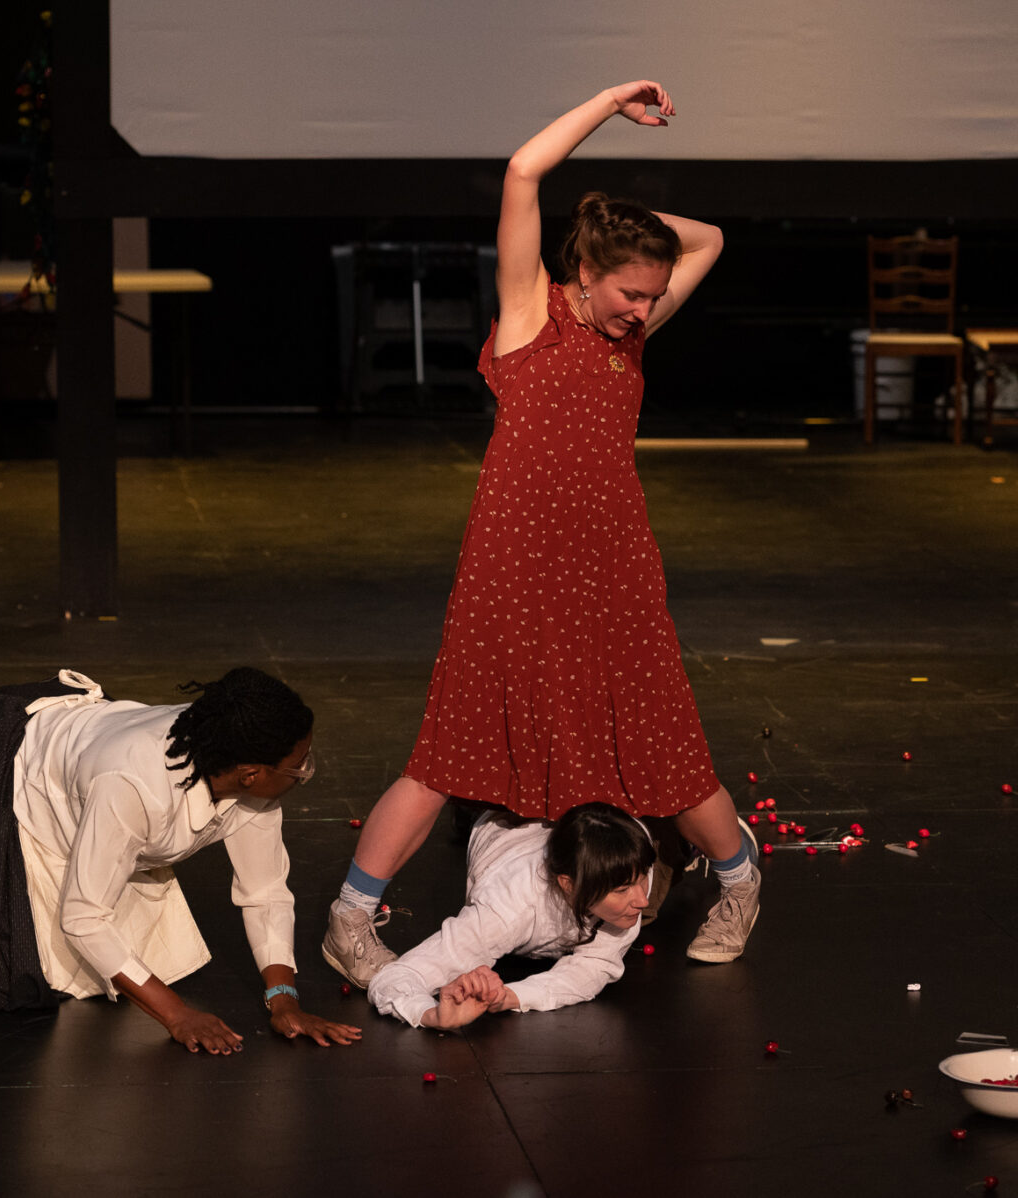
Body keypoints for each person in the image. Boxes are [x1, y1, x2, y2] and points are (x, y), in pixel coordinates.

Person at [324, 80, 759, 988]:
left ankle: (742, 883)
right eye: (629, 291)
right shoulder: (531, 316)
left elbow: (709, 240)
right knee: (451, 749)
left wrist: (619, 223)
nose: (644, 309)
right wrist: (608, 104)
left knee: (662, 741)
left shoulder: (627, 337)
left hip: (614, 565)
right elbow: (525, 170)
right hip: (512, 569)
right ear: (585, 273)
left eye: (651, 295)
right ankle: (350, 918)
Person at [0, 667, 360, 1055]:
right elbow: (84, 919)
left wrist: (282, 1001)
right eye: (298, 765)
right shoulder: (135, 785)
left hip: (93, 806)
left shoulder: (250, 786)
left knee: (100, 978)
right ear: (252, 771)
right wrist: (177, 1017)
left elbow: (264, 891)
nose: (304, 773)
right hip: (13, 769)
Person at [368, 804, 655, 1029]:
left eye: (642, 879)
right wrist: (431, 1015)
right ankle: (466, 812)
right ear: (569, 884)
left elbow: (594, 965)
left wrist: (512, 996)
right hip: (505, 823)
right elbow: (396, 977)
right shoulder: (507, 907)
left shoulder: (632, 855)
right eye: (622, 890)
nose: (642, 900)